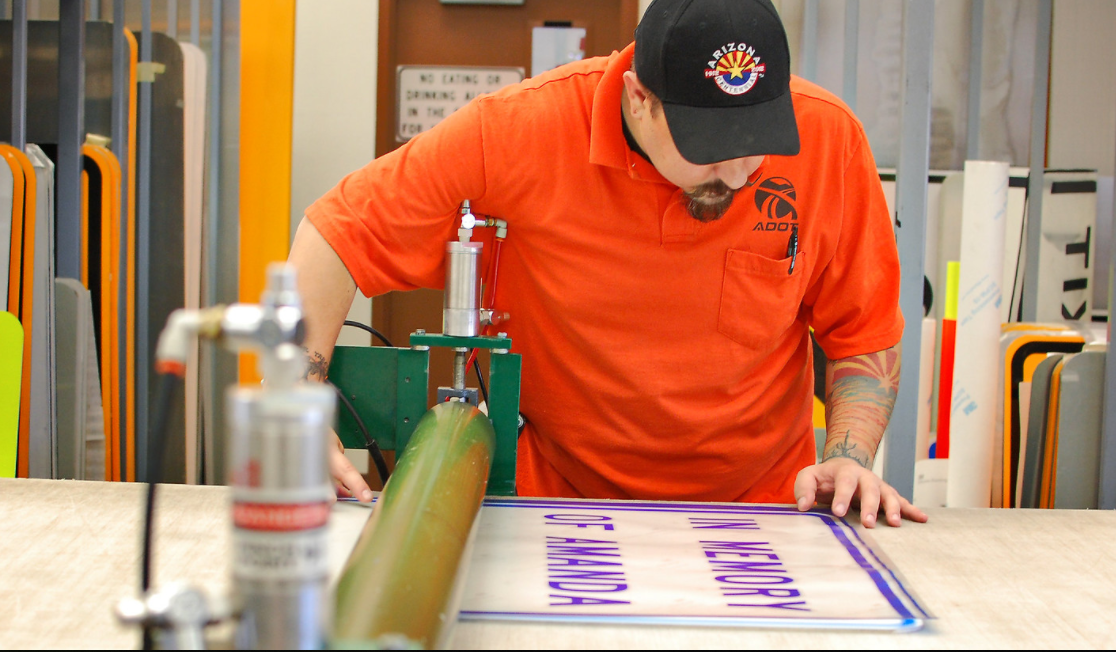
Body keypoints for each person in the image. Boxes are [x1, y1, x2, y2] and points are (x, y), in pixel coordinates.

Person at [288, 0, 928, 528]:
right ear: (638, 98)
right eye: (709, 149)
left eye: (756, 147)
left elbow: (862, 334)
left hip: (763, 510)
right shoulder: (520, 132)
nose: (737, 174)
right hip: (560, 511)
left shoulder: (829, 138)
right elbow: (334, 234)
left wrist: (848, 457)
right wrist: (295, 399)